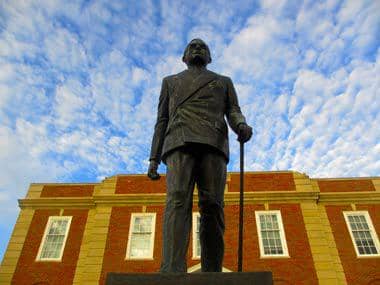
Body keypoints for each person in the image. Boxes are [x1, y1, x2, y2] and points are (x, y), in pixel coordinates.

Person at [148, 38, 252, 272]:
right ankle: (172, 268)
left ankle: (212, 270)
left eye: (202, 47)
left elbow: (233, 110)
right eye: (192, 46)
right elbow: (161, 121)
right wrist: (153, 158)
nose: (197, 48)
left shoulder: (223, 82)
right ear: (184, 57)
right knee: (176, 200)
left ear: (209, 57)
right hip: (178, 142)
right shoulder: (170, 82)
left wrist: (241, 125)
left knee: (213, 205)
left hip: (212, 143)